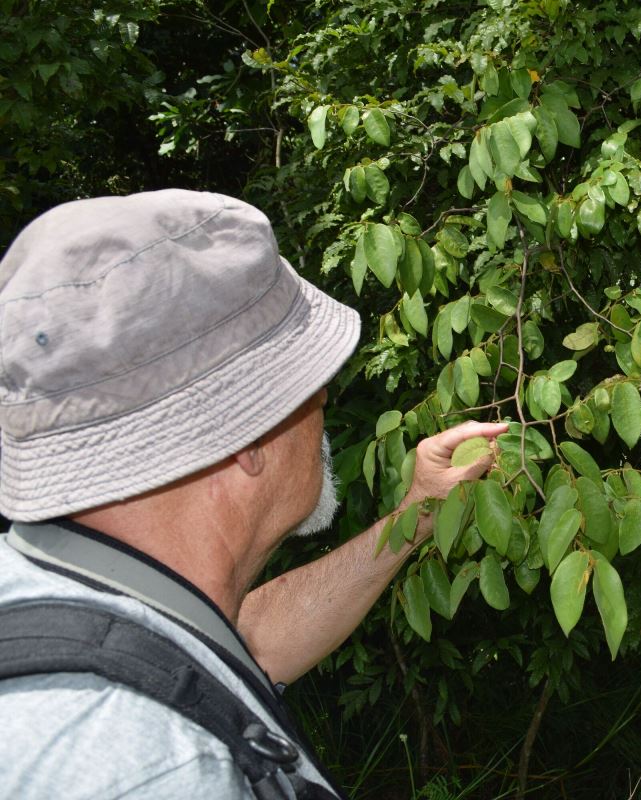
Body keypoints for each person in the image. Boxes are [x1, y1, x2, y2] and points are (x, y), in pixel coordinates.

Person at [0, 189, 508, 798]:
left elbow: (245, 645)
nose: (326, 403)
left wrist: (417, 515)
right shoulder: (156, 768)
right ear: (249, 432)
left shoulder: (64, 591)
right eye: (313, 382)